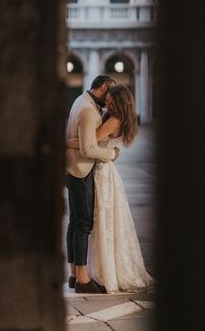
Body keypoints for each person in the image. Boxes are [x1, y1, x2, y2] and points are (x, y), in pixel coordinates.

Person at [67, 84, 153, 293]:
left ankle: (84, 275)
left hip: (102, 172)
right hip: (105, 171)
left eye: (110, 100)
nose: (106, 102)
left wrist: (66, 143)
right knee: (95, 220)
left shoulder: (113, 119)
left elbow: (87, 143)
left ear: (119, 102)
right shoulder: (121, 118)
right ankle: (87, 273)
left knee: (93, 221)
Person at [65, 74, 119, 294]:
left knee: (75, 222)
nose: (110, 99)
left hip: (73, 168)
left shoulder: (81, 100)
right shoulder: (88, 110)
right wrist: (111, 154)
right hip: (81, 170)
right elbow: (88, 149)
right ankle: (83, 279)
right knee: (83, 224)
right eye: (110, 93)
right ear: (104, 88)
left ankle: (73, 274)